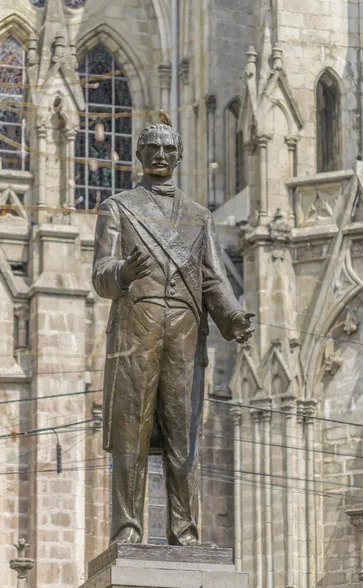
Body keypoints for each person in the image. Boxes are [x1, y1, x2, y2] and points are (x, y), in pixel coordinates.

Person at [92, 116, 254, 546]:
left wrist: (233, 317)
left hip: (184, 329)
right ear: (140, 155)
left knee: (184, 436)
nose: (161, 155)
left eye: (168, 149)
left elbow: (214, 279)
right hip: (136, 329)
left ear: (179, 157)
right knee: (133, 433)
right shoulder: (118, 207)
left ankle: (185, 530)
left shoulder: (199, 217)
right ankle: (127, 527)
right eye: (153, 149)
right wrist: (124, 270)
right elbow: (101, 274)